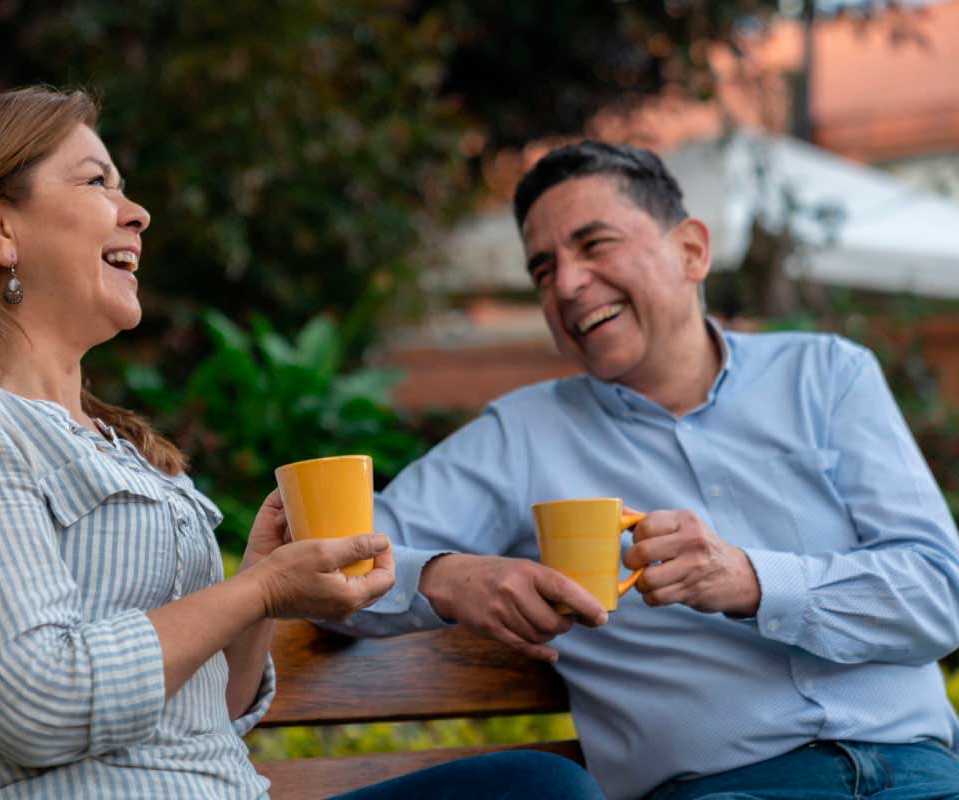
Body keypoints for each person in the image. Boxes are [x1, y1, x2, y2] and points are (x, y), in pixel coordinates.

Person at [0, 87, 604, 799]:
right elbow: (40, 703)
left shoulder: (121, 445)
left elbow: (218, 707)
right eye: (96, 183)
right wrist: (257, 591)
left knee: (538, 788)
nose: (135, 213)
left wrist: (263, 589)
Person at [335, 140, 959, 800]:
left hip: (922, 776)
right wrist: (445, 577)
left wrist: (751, 579)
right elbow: (338, 563)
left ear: (692, 250)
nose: (567, 285)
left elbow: (940, 593)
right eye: (543, 270)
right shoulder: (520, 436)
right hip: (724, 790)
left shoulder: (827, 374)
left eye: (594, 244)